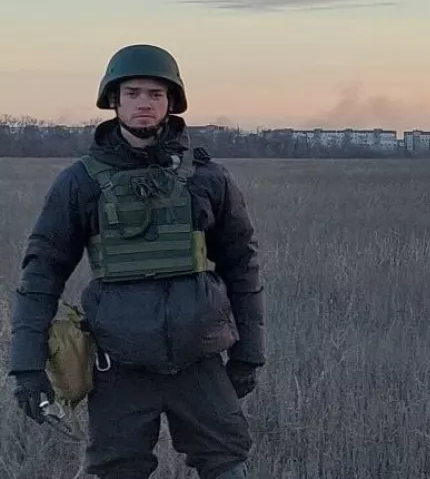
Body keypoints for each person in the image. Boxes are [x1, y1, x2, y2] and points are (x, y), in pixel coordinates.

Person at [8, 44, 267, 479]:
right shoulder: (80, 182)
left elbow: (242, 266)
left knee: (227, 463)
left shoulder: (207, 178)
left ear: (171, 102)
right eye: (132, 93)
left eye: (155, 93)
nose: (144, 103)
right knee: (116, 469)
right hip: (118, 365)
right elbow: (41, 274)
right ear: (114, 100)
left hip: (199, 361)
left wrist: (249, 354)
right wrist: (27, 368)